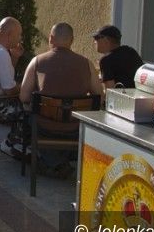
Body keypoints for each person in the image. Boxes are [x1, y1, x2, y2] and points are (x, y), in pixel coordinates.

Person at [19, 23, 100, 177]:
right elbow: (99, 95)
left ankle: (54, 163)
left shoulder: (37, 62)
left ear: (51, 38)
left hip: (45, 127)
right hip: (75, 128)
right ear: (72, 40)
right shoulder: (86, 64)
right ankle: (59, 163)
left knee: (28, 119)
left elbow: (23, 97)